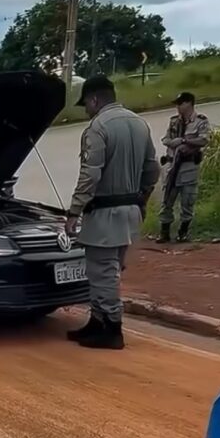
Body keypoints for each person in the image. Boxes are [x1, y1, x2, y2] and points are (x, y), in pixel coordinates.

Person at [64, 76, 159, 350]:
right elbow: (152, 169)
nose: (86, 111)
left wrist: (74, 211)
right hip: (130, 211)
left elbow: (90, 175)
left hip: (105, 214)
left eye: (87, 105)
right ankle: (97, 321)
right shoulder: (139, 123)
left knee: (102, 273)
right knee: (108, 270)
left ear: (94, 99)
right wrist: (142, 198)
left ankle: (111, 328)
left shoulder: (98, 127)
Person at [158, 91, 211, 244]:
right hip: (172, 165)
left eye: (180, 103)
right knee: (167, 198)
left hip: (188, 166)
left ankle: (183, 231)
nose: (178, 107)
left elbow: (203, 140)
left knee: (188, 199)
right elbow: (166, 139)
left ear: (189, 103)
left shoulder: (200, 121)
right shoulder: (174, 121)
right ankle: (164, 232)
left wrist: (183, 141)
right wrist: (172, 142)